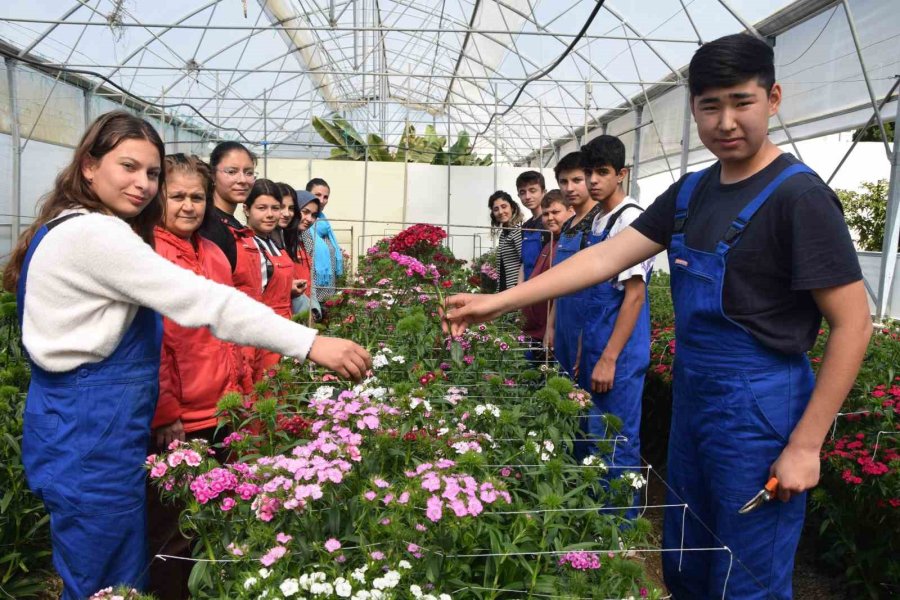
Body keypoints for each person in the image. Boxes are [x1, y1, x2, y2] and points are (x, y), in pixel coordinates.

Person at [446, 34, 871, 600]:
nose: (725, 121)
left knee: (745, 577)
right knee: (687, 561)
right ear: (693, 107)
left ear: (773, 99)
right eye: (709, 105)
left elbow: (854, 322)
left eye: (741, 102)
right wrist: (498, 301)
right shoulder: (693, 190)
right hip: (697, 400)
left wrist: (805, 445)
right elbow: (605, 257)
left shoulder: (798, 197)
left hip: (761, 410)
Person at [4, 111, 371, 599]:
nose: (142, 185)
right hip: (91, 430)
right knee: (107, 581)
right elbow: (206, 302)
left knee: (110, 569)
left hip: (78, 425)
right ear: (89, 167)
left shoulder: (68, 225)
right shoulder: (96, 235)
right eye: (128, 167)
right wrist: (311, 343)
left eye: (152, 174)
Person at [147, 153, 251, 599]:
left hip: (221, 405)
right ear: (158, 198)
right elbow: (156, 341)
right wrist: (166, 411)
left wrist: (242, 389)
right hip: (181, 416)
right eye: (178, 197)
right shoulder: (149, 251)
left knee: (218, 514)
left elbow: (230, 324)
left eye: (197, 197)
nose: (189, 206)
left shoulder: (211, 251)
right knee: (176, 526)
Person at [578, 135, 654, 513]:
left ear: (621, 174)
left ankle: (619, 530)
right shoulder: (599, 218)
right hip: (597, 344)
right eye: (589, 172)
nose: (593, 180)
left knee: (617, 439)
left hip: (618, 353)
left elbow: (635, 295)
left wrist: (609, 357)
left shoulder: (630, 219)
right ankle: (598, 521)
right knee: (597, 437)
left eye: (602, 172)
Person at [548, 151, 603, 383]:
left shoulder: (599, 222)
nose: (569, 188)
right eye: (563, 181)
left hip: (586, 322)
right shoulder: (569, 223)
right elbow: (558, 282)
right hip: (563, 320)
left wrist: (586, 338)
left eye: (576, 180)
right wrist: (550, 327)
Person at [243, 179, 301, 377]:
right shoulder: (245, 245)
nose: (270, 215)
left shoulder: (274, 243)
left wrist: (289, 289)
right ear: (246, 209)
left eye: (275, 208)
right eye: (262, 208)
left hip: (284, 327)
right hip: (261, 334)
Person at [520, 190, 571, 351]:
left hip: (552, 330)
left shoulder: (568, 245)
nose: (549, 218)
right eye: (545, 214)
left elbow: (560, 290)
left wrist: (551, 326)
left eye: (555, 212)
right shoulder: (550, 243)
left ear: (570, 211)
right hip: (536, 328)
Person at [198, 141, 256, 272]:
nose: (242, 180)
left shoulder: (233, 223)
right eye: (232, 172)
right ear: (213, 175)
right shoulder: (209, 225)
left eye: (249, 172)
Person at [306, 178, 344, 302]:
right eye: (317, 195)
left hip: (328, 296)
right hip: (310, 297)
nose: (322, 201)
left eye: (326, 197)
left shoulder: (325, 225)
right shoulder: (302, 226)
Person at [293, 190, 324, 320]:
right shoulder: (280, 244)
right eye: (305, 212)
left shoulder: (302, 240)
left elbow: (310, 281)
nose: (309, 219)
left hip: (306, 315)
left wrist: (315, 310)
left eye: (314, 215)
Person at [488, 190, 524, 292]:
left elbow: (524, 261)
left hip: (514, 289)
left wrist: (519, 288)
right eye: (496, 209)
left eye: (504, 207)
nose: (500, 212)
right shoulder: (504, 233)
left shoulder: (517, 231)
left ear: (512, 207)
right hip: (505, 288)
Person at [516, 170, 547, 284]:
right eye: (522, 192)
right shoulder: (525, 226)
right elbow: (523, 263)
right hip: (527, 287)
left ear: (544, 192)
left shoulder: (549, 223)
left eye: (532, 191)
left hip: (544, 286)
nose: (527, 196)